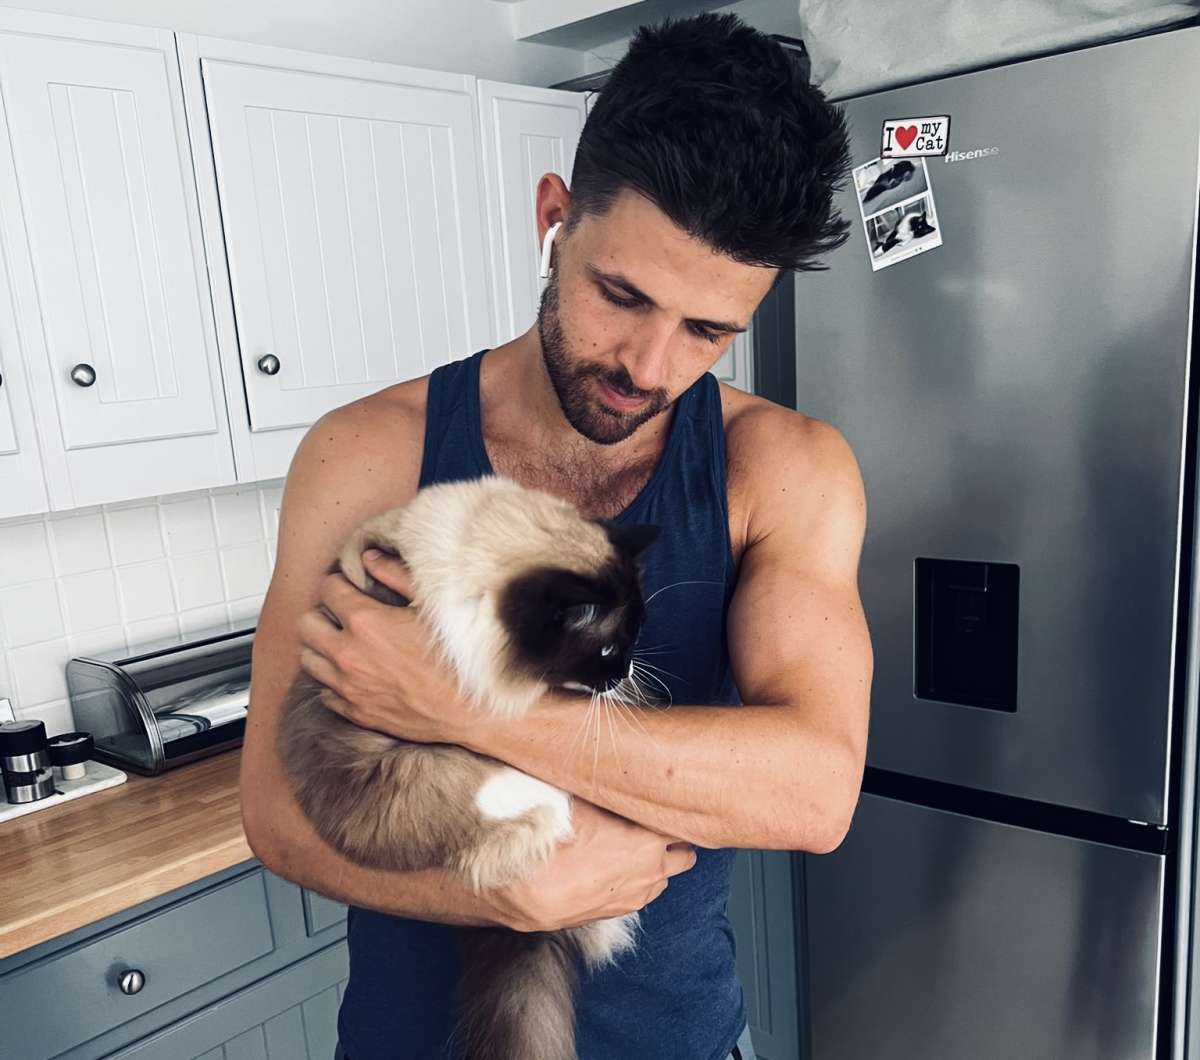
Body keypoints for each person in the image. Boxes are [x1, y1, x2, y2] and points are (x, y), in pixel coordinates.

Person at [242, 12, 873, 1060]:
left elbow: (812, 791)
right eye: (621, 294)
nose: (650, 364)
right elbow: (274, 807)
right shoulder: (365, 453)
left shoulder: (786, 470)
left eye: (709, 330)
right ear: (555, 219)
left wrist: (458, 707)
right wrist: (498, 887)